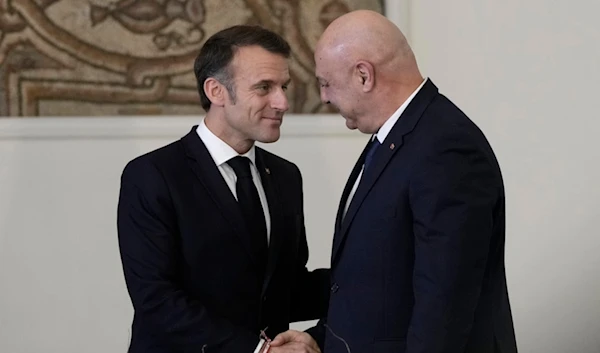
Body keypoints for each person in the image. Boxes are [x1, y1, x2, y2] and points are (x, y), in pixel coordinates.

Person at [271, 10, 518, 353]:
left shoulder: (445, 146)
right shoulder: (398, 138)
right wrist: (322, 336)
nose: (324, 97)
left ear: (363, 75)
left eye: (325, 83)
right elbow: (382, 279)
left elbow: (444, 301)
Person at [117, 25, 329, 353]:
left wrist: (371, 274)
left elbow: (285, 289)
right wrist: (258, 351)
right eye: (264, 87)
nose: (282, 102)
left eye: (283, 86)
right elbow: (156, 300)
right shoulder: (152, 175)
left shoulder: (286, 177)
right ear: (216, 91)